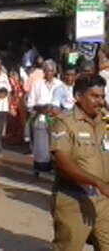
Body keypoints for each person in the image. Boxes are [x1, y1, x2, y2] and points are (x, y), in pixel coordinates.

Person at [50, 75, 109, 250]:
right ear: (78, 96)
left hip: (104, 202)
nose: (100, 102)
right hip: (74, 200)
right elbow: (62, 163)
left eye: (102, 96)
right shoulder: (64, 123)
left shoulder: (104, 122)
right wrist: (97, 182)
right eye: (95, 96)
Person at [28, 59, 62, 175]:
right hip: (41, 117)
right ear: (43, 71)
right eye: (46, 71)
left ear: (55, 72)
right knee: (41, 145)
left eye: (51, 71)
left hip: (56, 118)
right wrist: (41, 108)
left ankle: (56, 168)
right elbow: (30, 104)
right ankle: (40, 168)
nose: (49, 73)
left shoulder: (59, 84)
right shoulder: (37, 85)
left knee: (56, 143)